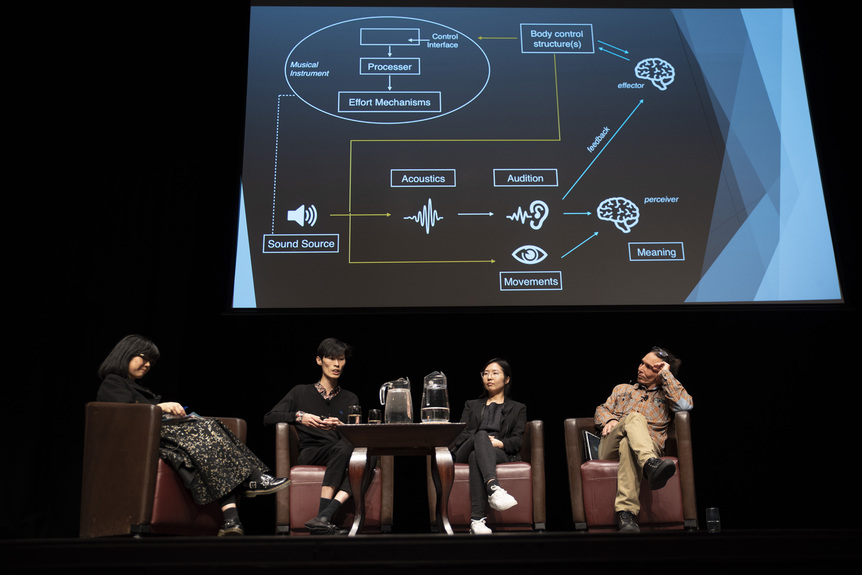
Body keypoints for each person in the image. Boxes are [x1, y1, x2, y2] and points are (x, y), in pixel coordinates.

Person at [96, 334, 289, 536]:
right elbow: (126, 416)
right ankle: (254, 478)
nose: (147, 365)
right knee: (209, 431)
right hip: (147, 442)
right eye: (143, 358)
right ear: (125, 354)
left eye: (151, 362)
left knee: (212, 436)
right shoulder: (113, 382)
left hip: (165, 437)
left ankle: (232, 520)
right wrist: (160, 408)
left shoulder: (138, 387)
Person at [263, 337, 361, 535]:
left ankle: (324, 515)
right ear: (319, 360)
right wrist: (300, 417)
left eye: (341, 359)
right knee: (346, 449)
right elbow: (268, 417)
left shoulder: (351, 398)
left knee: (368, 454)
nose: (336, 364)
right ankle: (324, 515)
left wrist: (342, 427)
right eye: (332, 358)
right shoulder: (300, 392)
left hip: (340, 450)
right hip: (311, 452)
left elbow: (357, 436)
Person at [594, 346, 693, 532]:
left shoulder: (667, 395)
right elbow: (601, 409)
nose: (641, 368)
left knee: (628, 444)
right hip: (609, 447)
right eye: (641, 363)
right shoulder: (622, 389)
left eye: (649, 367)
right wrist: (611, 419)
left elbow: (684, 405)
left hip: (646, 445)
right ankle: (650, 464)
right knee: (634, 418)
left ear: (660, 371)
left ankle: (626, 515)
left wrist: (667, 375)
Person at [450, 358, 527, 535]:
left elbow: (516, 440)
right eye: (485, 373)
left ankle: (477, 521)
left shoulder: (518, 408)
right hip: (467, 448)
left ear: (507, 379)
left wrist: (499, 443)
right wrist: (481, 438)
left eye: (494, 373)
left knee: (476, 456)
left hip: (497, 451)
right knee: (480, 437)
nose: (489, 377)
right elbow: (461, 434)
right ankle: (493, 488)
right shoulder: (471, 405)